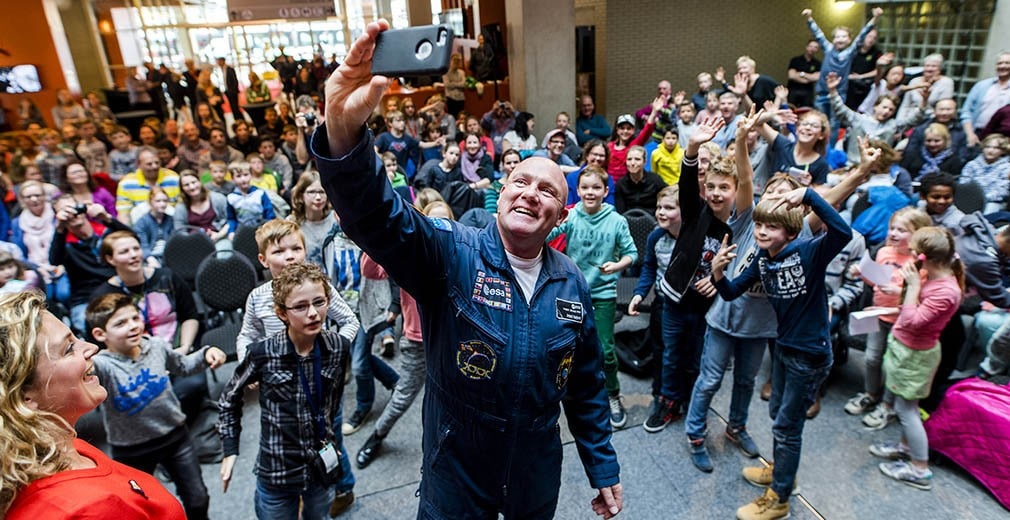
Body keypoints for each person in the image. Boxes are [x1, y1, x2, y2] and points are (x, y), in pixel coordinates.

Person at [312, 19, 622, 519]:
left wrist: (602, 465)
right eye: (520, 181)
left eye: (547, 190)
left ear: (560, 217)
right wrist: (344, 131)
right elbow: (377, 218)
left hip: (535, 470)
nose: (531, 193)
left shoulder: (570, 282)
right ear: (501, 194)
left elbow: (585, 384)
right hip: (457, 468)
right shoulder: (452, 251)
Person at [711, 183, 852, 520]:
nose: (761, 231)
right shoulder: (763, 258)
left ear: (790, 232)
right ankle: (781, 471)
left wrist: (809, 196)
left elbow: (843, 233)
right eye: (759, 224)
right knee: (778, 415)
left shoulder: (808, 252)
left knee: (787, 428)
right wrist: (717, 272)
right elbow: (730, 291)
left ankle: (780, 498)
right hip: (784, 348)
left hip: (809, 354)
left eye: (771, 226)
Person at [0, 291, 187, 519]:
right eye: (69, 348)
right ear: (24, 397)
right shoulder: (87, 510)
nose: (91, 347)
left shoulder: (65, 445)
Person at [219, 263, 355, 518]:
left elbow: (331, 402)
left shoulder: (338, 347)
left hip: (319, 467)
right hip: (278, 468)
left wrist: (331, 440)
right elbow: (229, 397)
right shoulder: (263, 353)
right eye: (300, 307)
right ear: (282, 313)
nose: (313, 313)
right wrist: (230, 447)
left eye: (319, 302)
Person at [85, 293, 225, 519]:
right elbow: (84, 374)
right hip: (131, 451)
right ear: (101, 334)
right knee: (142, 509)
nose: (133, 326)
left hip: (175, 437)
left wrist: (206, 353)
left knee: (198, 499)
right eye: (121, 323)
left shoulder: (156, 346)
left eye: (135, 318)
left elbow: (184, 366)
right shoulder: (103, 365)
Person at [355, 201, 451, 469]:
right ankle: (377, 436)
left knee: (456, 397)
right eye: (433, 221)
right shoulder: (409, 254)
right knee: (403, 396)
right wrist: (378, 235)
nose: (440, 226)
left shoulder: (459, 254)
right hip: (417, 342)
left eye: (445, 221)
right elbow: (371, 271)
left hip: (450, 339)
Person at [869, 227, 963, 490]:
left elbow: (912, 320)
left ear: (925, 257)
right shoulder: (931, 277)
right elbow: (909, 310)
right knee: (905, 406)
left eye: (912, 251)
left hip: (915, 356)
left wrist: (912, 285)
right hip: (906, 350)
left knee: (906, 410)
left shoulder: (946, 292)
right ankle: (905, 447)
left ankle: (920, 468)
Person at [548, 165, 637, 428]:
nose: (590, 192)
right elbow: (547, 234)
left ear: (605, 191)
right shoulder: (572, 216)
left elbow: (631, 253)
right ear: (578, 190)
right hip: (573, 292)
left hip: (603, 293)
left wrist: (617, 266)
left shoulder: (616, 221)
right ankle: (575, 393)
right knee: (568, 345)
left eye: (596, 187)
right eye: (585, 187)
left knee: (606, 350)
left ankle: (612, 394)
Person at [845, 208, 932, 425]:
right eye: (892, 228)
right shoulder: (884, 252)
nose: (893, 233)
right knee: (871, 358)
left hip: (902, 322)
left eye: (901, 230)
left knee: (892, 365)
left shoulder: (921, 264)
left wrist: (899, 292)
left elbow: (924, 298)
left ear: (918, 234)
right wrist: (862, 274)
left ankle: (887, 405)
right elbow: (877, 281)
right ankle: (871, 394)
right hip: (879, 314)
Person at [50, 196, 131, 333]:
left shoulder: (104, 233)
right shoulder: (66, 244)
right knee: (90, 328)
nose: (72, 214)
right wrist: (59, 229)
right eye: (65, 211)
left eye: (74, 207)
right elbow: (54, 260)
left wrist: (106, 217)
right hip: (85, 299)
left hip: (116, 289)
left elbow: (132, 239)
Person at [803, 6, 883, 136]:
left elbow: (862, 36)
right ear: (833, 39)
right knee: (820, 121)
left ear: (849, 39)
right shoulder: (828, 49)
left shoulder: (850, 52)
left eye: (844, 36)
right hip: (822, 92)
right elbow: (818, 34)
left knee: (834, 123)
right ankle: (818, 145)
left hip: (839, 94)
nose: (840, 39)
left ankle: (831, 147)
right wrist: (809, 18)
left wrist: (875, 18)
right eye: (837, 37)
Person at [827, 71, 928, 165]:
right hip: (854, 164)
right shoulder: (858, 119)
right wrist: (832, 90)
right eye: (884, 107)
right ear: (875, 106)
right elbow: (839, 108)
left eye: (891, 110)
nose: (886, 111)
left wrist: (924, 100)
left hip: (879, 168)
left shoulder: (893, 125)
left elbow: (915, 119)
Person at [116, 147, 180, 225]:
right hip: (139, 226)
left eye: (157, 162)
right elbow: (124, 214)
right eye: (149, 164)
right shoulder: (126, 183)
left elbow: (181, 207)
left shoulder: (173, 178)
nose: (154, 166)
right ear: (138, 164)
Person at [961, 51, 1010, 147]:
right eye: (999, 63)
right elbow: (966, 111)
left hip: (1003, 139)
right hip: (976, 135)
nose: (1002, 66)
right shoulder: (981, 86)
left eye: (1007, 63)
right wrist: (970, 134)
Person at [175, 170, 233, 249]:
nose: (192, 187)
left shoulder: (218, 198)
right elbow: (180, 231)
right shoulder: (180, 207)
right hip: (192, 243)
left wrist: (218, 235)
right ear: (182, 189)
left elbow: (230, 221)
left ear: (199, 182)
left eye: (194, 182)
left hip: (219, 239)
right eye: (186, 185)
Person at [896, 54, 955, 123]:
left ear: (940, 69)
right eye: (927, 66)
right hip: (908, 119)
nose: (929, 69)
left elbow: (943, 109)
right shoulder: (914, 81)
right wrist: (899, 121)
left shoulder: (946, 82)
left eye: (933, 66)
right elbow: (905, 105)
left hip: (931, 120)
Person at [960, 133, 1010, 213]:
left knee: (990, 209)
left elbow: (1002, 191)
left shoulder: (1006, 167)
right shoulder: (971, 165)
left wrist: (983, 198)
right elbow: (964, 184)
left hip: (993, 202)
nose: (990, 150)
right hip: (970, 200)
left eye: (996, 148)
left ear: (1003, 151)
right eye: (987, 147)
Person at [614, 145, 666, 214]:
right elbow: (620, 211)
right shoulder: (620, 184)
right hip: (628, 218)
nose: (632, 163)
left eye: (637, 159)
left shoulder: (656, 180)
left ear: (645, 162)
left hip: (652, 219)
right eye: (629, 159)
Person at [132, 188, 174, 266]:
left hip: (169, 257)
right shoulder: (142, 222)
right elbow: (142, 245)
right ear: (150, 202)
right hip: (150, 258)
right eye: (158, 201)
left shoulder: (171, 220)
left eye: (165, 201)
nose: (162, 204)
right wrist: (150, 259)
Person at [227, 161, 275, 228]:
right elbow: (231, 218)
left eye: (246, 175)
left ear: (251, 175)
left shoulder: (260, 193)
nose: (243, 179)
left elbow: (270, 215)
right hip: (242, 230)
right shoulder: (231, 198)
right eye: (238, 176)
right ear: (232, 178)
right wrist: (231, 231)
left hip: (261, 228)